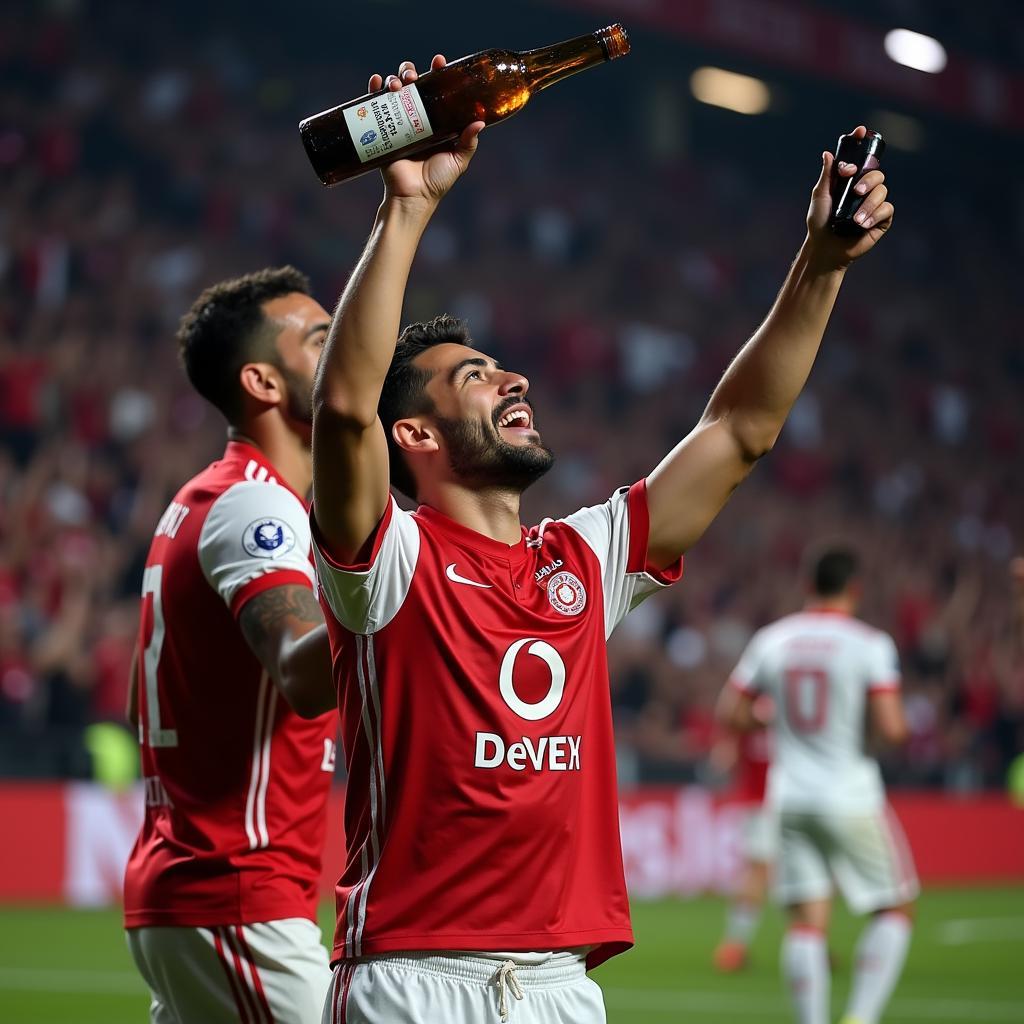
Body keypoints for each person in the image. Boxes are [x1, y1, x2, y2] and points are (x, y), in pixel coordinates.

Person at [309, 52, 895, 1024]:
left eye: (503, 368)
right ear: (412, 435)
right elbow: (342, 410)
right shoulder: (386, 561)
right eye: (474, 378)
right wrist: (404, 205)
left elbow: (737, 432)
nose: (513, 382)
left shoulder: (584, 557)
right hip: (415, 978)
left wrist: (819, 266)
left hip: (560, 985)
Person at [123, 267, 339, 1023]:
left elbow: (139, 700)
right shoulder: (254, 506)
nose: (345, 346)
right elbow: (303, 673)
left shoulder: (204, 501)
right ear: (264, 382)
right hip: (233, 894)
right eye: (319, 338)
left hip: (198, 892)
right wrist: (410, 612)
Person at [722, 547, 918, 1024]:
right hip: (850, 794)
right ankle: (861, 1016)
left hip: (789, 798)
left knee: (806, 923)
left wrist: (776, 724)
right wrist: (874, 733)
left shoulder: (774, 639)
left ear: (808, 586)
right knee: (895, 909)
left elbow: (731, 713)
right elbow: (892, 728)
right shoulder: (869, 644)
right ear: (855, 589)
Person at [710, 714, 776, 972]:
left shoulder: (748, 716)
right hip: (776, 804)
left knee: (762, 872)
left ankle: (813, 945)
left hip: (757, 804)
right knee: (762, 872)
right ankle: (733, 946)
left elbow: (721, 761)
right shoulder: (787, 714)